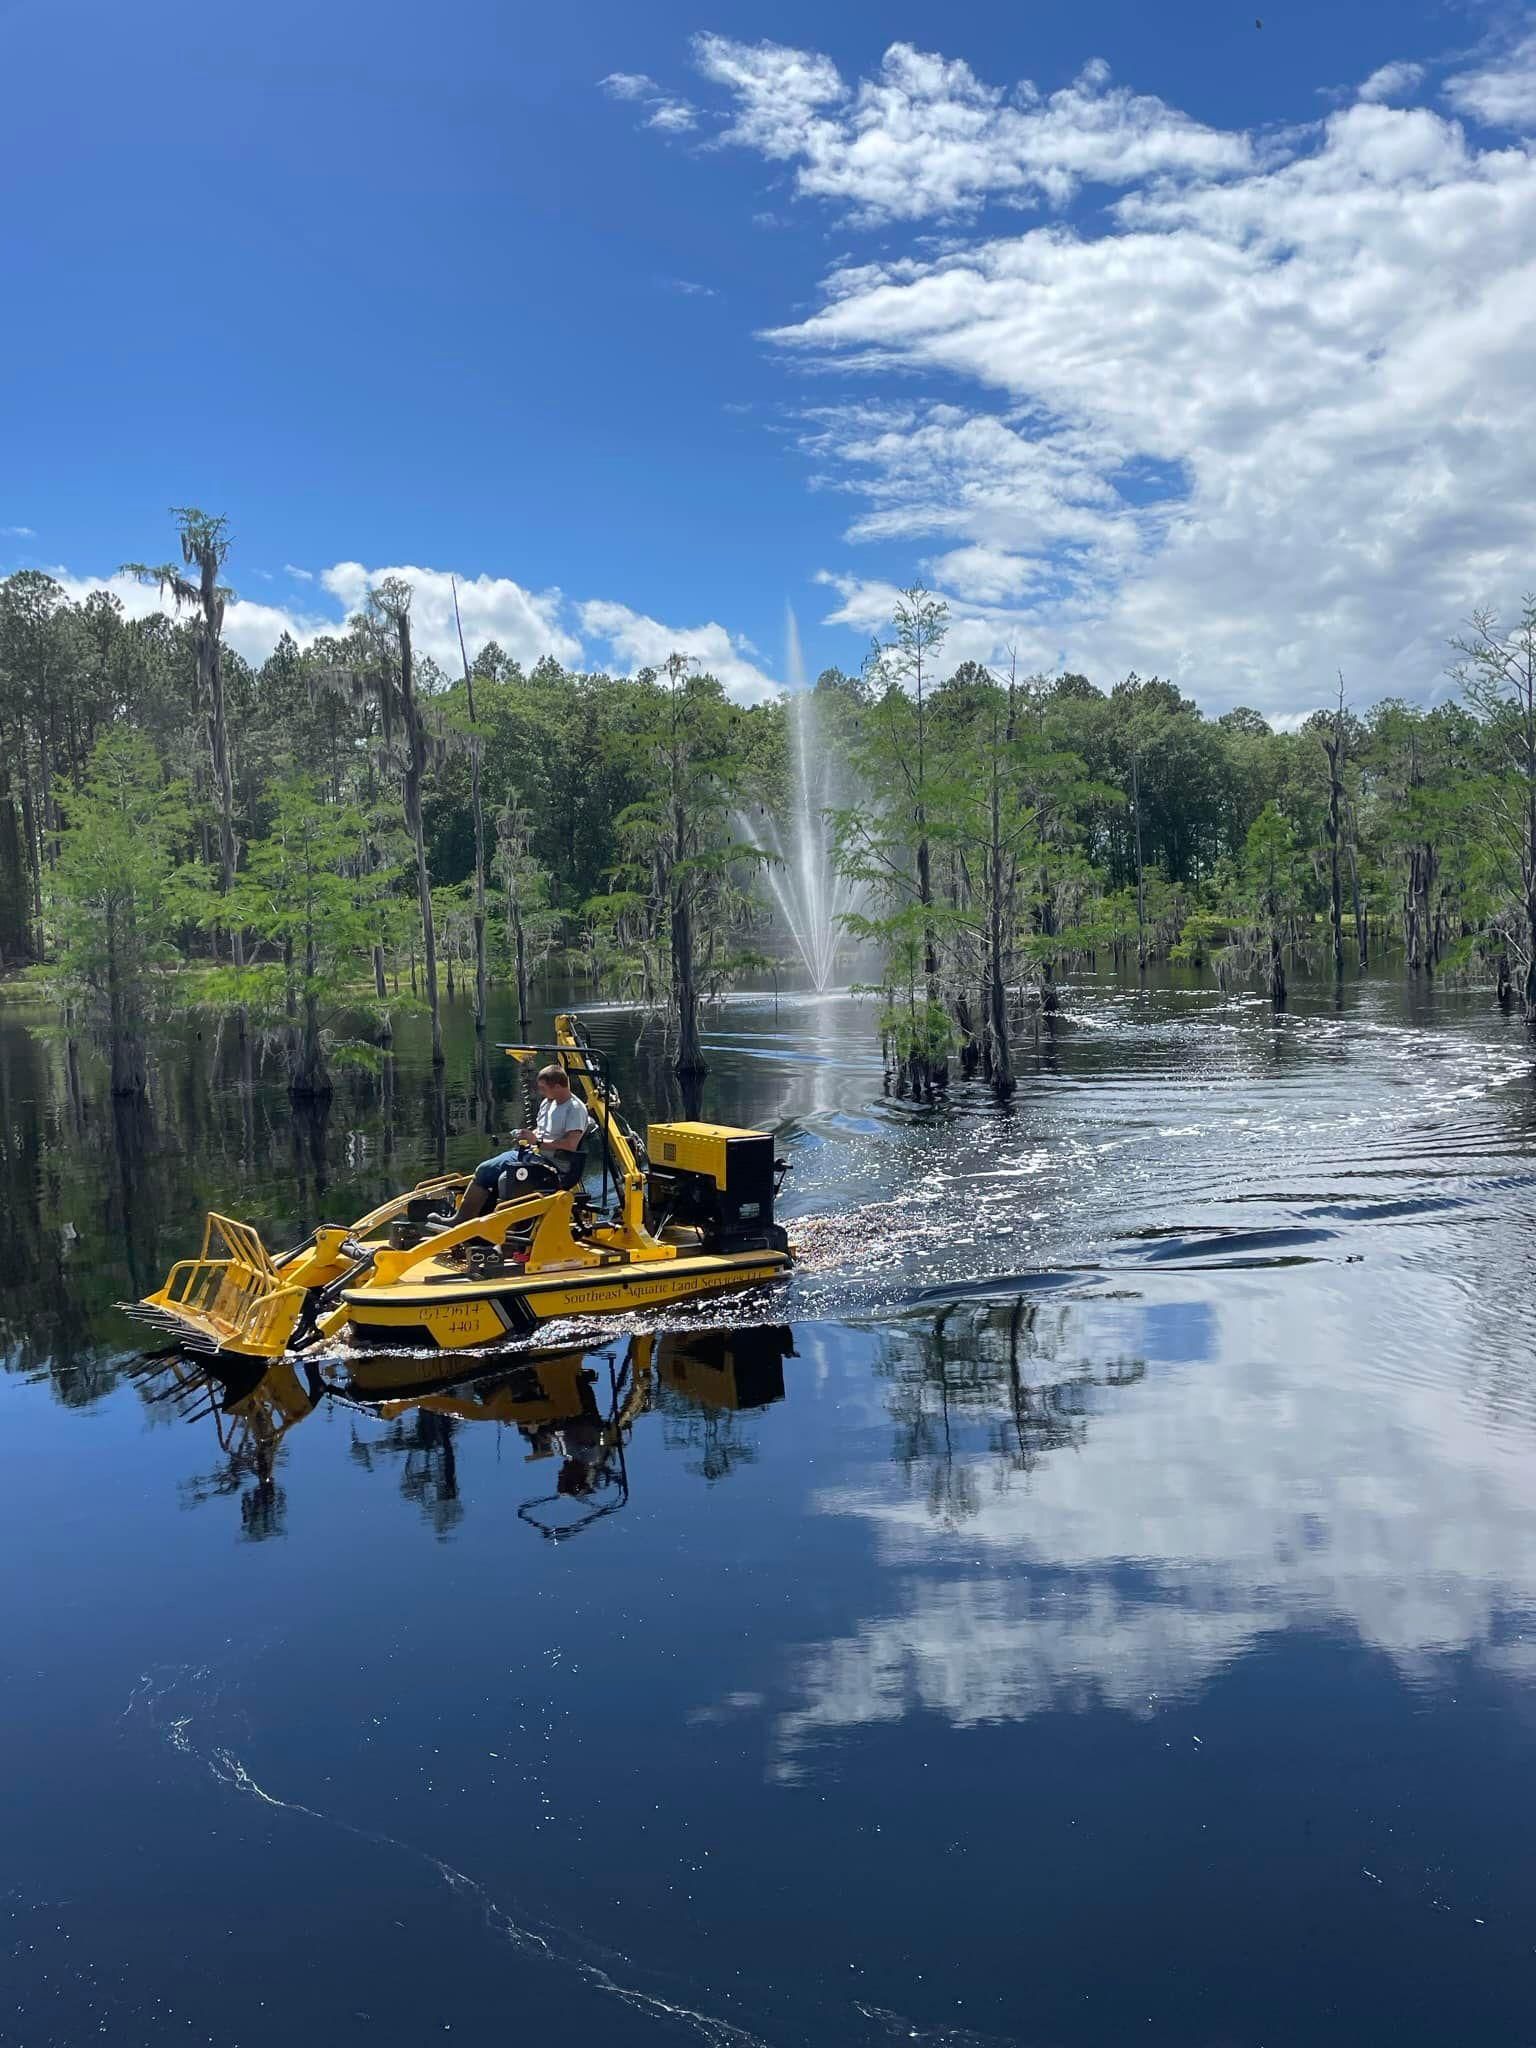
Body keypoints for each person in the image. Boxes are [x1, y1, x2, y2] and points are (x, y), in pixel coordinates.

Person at [453, 1064, 593, 1223]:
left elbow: (570, 1144)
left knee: (507, 1180)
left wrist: (538, 1142)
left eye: (543, 1088)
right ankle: (461, 1220)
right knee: (484, 1170)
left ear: (558, 1086)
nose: (541, 1092)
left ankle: (505, 1235)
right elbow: (541, 1131)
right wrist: (527, 1135)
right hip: (533, 1155)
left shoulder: (575, 1109)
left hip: (554, 1166)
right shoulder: (548, 1102)